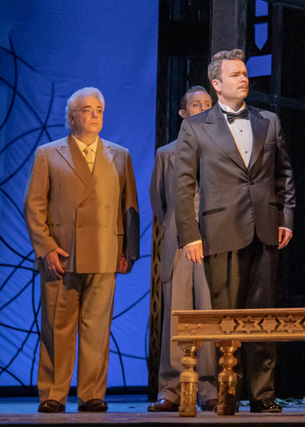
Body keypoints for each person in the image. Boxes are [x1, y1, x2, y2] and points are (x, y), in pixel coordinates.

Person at [174, 49, 295, 415]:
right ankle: (228, 393)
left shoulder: (268, 121)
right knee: (227, 318)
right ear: (217, 83)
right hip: (221, 231)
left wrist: (285, 218)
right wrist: (190, 234)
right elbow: (183, 183)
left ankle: (263, 393)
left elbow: (284, 174)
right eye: (235, 75)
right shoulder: (196, 126)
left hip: (264, 229)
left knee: (263, 317)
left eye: (244, 74)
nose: (243, 79)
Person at [23, 87, 139, 413]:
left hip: (105, 253)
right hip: (62, 256)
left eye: (99, 109)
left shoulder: (120, 154)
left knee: (97, 330)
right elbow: (33, 206)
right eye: (87, 110)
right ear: (71, 117)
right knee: (57, 329)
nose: (94, 115)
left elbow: (130, 207)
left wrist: (129, 251)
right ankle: (53, 394)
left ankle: (92, 394)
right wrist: (46, 249)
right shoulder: (48, 154)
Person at [149, 86, 218, 413]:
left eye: (207, 104)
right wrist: (179, 227)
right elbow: (160, 202)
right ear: (183, 113)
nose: (203, 108)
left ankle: (209, 386)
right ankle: (172, 388)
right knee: (176, 316)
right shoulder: (166, 154)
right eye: (196, 105)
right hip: (178, 243)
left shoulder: (222, 149)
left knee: (208, 312)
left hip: (212, 243)